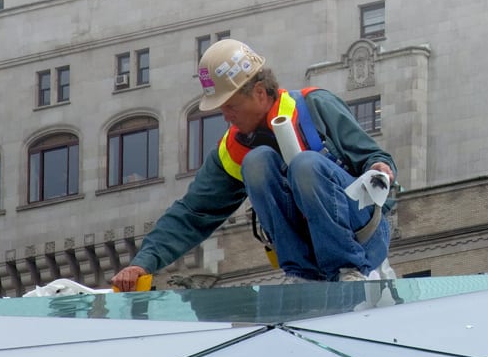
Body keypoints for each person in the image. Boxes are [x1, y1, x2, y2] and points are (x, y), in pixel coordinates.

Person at [110, 39, 396, 290]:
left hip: (361, 239)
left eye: (230, 106)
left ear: (259, 92)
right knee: (257, 161)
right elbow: (193, 212)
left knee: (306, 165)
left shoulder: (312, 107)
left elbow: (372, 157)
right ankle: (302, 275)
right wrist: (143, 263)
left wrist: (380, 168)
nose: (225, 116)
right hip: (309, 254)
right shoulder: (234, 149)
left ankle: (347, 270)